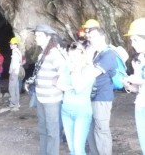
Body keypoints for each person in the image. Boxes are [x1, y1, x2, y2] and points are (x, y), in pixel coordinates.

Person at [31, 24, 66, 155]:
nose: (36, 38)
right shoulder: (42, 54)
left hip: (52, 99)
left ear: (48, 37)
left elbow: (64, 71)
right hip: (41, 97)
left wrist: (57, 83)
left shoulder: (54, 53)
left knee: (52, 131)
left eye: (39, 36)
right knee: (43, 129)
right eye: (36, 36)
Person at [57, 41, 95, 155]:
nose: (71, 58)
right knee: (72, 149)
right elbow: (58, 84)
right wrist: (69, 87)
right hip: (66, 110)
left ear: (82, 54)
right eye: (70, 55)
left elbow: (78, 88)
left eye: (74, 55)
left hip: (82, 112)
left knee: (78, 149)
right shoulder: (66, 67)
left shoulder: (89, 70)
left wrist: (75, 70)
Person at [85, 21, 117, 155]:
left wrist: (87, 57)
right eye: (90, 37)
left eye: (93, 37)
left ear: (102, 37)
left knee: (101, 129)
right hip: (92, 96)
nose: (91, 40)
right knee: (92, 128)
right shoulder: (97, 54)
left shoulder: (109, 54)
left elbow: (92, 73)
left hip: (102, 98)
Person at [123, 17, 145, 154]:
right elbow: (138, 89)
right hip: (141, 106)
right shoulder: (138, 60)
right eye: (131, 40)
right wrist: (129, 86)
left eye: (136, 40)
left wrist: (140, 81)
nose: (132, 44)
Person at [9, 36, 22, 110]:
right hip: (17, 73)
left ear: (16, 44)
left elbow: (14, 65)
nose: (10, 45)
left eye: (12, 44)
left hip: (14, 73)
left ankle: (13, 103)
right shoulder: (18, 52)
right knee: (16, 88)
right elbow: (20, 62)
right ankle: (17, 102)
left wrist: (11, 74)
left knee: (11, 88)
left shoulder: (15, 53)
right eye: (10, 44)